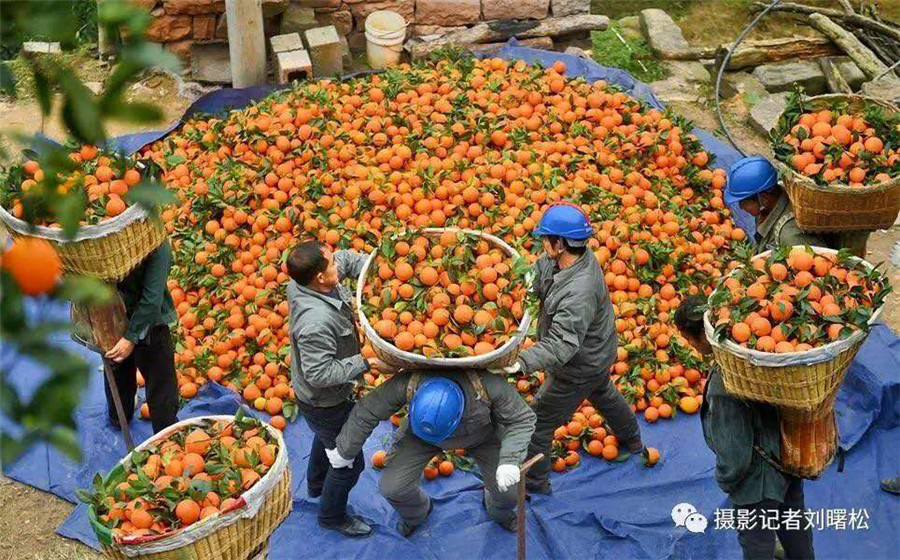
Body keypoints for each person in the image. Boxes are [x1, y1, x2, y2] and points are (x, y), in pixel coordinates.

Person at [497, 203, 645, 495]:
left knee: (537, 422)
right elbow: (541, 268)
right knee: (603, 392)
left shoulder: (580, 290)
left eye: (546, 238)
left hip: (579, 364)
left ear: (560, 243)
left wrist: (521, 362)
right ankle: (634, 440)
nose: (542, 244)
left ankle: (536, 485)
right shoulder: (571, 258)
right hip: (597, 355)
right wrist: (527, 280)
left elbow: (563, 344)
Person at [675, 295, 815, 560]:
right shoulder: (755, 356)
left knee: (757, 542)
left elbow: (734, 452)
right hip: (786, 458)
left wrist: (727, 480)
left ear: (704, 337)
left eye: (689, 339)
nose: (689, 345)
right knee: (792, 521)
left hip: (757, 482)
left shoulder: (725, 386)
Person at [328, 370, 536, 536]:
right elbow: (368, 410)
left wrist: (509, 461)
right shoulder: (409, 382)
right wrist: (345, 450)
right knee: (392, 488)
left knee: (509, 493)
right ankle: (417, 513)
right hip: (420, 437)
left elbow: (522, 418)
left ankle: (497, 509)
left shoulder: (486, 385)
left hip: (481, 435)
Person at [287, 241, 381, 538]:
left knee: (325, 436)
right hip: (324, 401)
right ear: (320, 277)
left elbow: (347, 260)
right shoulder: (315, 322)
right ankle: (331, 516)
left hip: (322, 404)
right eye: (332, 266)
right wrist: (363, 362)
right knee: (348, 462)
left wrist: (385, 265)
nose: (337, 264)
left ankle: (315, 483)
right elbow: (319, 373)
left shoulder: (307, 280)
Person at [104, 239, 179, 434]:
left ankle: (161, 433)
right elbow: (152, 298)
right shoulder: (155, 242)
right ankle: (163, 433)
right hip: (124, 316)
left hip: (131, 318)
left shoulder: (153, 245)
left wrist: (131, 337)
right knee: (159, 379)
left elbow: (151, 299)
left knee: (123, 367)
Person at [725, 155, 868, 256]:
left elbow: (816, 270)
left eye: (744, 202)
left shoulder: (790, 236)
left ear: (763, 197)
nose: (742, 208)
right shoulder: (771, 202)